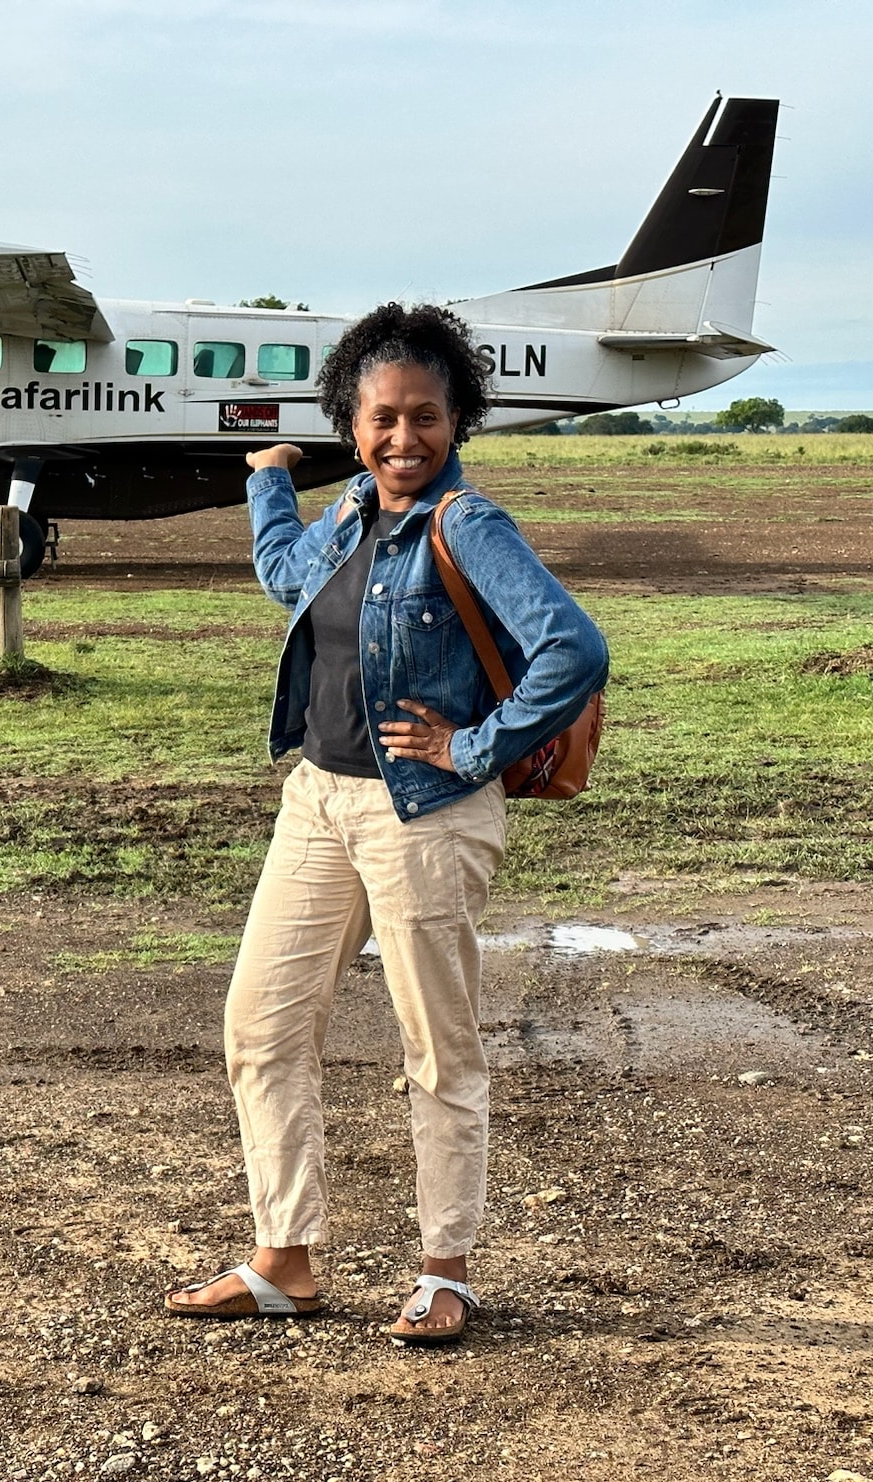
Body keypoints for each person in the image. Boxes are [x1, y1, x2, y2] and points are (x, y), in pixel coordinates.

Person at [163, 303, 609, 1345]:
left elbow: (571, 651)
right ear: (349, 426)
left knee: (434, 1049)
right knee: (260, 1026)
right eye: (381, 420)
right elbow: (287, 578)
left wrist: (471, 747)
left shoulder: (468, 525)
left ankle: (443, 1270)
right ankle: (282, 1258)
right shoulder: (354, 510)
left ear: (456, 422)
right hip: (317, 802)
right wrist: (267, 483)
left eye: (424, 419)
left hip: (429, 813)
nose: (403, 440)